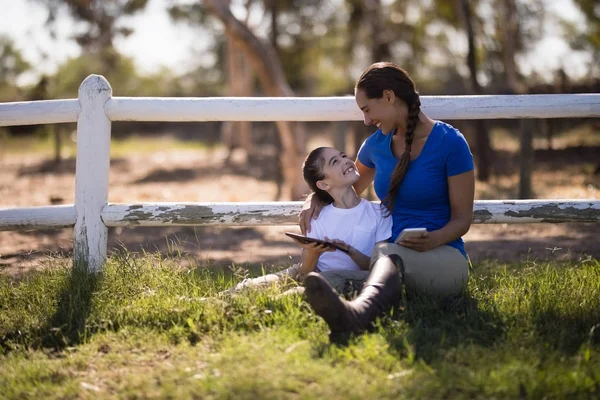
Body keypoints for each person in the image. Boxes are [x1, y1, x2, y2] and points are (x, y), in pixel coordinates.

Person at [300, 62, 475, 340]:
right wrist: (315, 199)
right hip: (388, 260)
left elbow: (463, 219)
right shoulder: (375, 146)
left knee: (386, 254)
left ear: (390, 97)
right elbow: (344, 187)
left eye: (367, 109)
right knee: (331, 278)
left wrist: (434, 239)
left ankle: (356, 316)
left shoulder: (451, 143)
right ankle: (345, 307)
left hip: (443, 257)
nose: (367, 121)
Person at [227, 146, 392, 296]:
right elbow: (304, 272)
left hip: (348, 279)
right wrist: (313, 252)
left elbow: (379, 267)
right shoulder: (318, 216)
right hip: (314, 272)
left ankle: (273, 305)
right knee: (257, 285)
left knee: (299, 292)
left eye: (343, 156)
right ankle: (217, 299)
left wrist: (350, 251)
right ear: (324, 184)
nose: (346, 161)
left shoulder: (379, 213)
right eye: (335, 161)